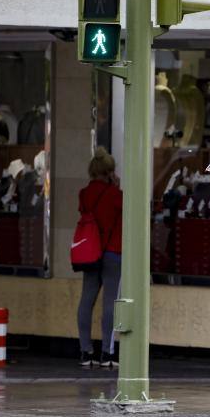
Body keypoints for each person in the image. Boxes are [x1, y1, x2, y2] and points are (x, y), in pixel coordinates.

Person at [76, 147, 122, 368]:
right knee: (110, 303)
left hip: (90, 252)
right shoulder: (115, 194)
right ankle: (107, 353)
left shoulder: (84, 194)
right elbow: (120, 213)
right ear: (110, 171)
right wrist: (117, 187)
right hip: (112, 252)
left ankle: (86, 352)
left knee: (86, 301)